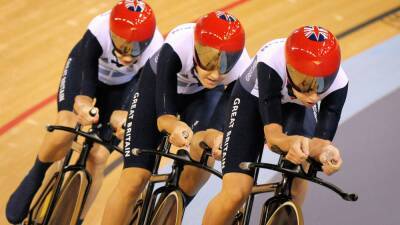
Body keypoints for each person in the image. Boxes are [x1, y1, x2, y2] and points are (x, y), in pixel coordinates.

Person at [5, 1, 163, 224]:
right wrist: (84, 102)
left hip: (124, 88)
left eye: (136, 48)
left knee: (98, 157)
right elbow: (85, 74)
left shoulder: (157, 49)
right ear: (111, 33)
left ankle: (76, 216)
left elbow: (142, 91)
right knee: (65, 127)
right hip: (87, 74)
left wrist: (124, 113)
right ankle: (37, 173)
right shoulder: (99, 28)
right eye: (122, 45)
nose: (128, 55)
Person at [101, 11, 251, 225]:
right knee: (134, 179)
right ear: (196, 48)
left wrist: (215, 139)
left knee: (204, 156)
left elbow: (218, 126)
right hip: (158, 90)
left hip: (203, 97)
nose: (216, 75)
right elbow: (164, 119)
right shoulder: (178, 44)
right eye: (208, 62)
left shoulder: (243, 68)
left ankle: (171, 208)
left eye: (224, 66)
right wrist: (175, 126)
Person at [202, 25, 348, 225]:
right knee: (236, 193)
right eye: (305, 82)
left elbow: (321, 142)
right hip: (251, 100)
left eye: (322, 84)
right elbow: (274, 138)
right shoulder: (271, 61)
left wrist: (325, 153)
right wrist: (296, 142)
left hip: (296, 106)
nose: (314, 96)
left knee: (299, 175)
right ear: (290, 68)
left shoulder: (340, 83)